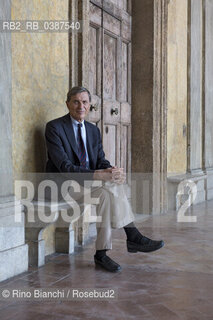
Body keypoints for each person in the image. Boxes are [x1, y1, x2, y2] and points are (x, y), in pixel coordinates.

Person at [45, 86, 164, 273]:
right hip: (62, 186)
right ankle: (130, 237)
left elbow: (100, 160)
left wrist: (111, 170)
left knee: (109, 191)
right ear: (67, 103)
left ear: (89, 105)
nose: (80, 106)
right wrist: (100, 175)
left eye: (84, 102)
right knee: (109, 187)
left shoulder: (93, 130)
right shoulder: (54, 128)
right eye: (76, 101)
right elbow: (65, 168)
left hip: (87, 185)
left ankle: (103, 254)